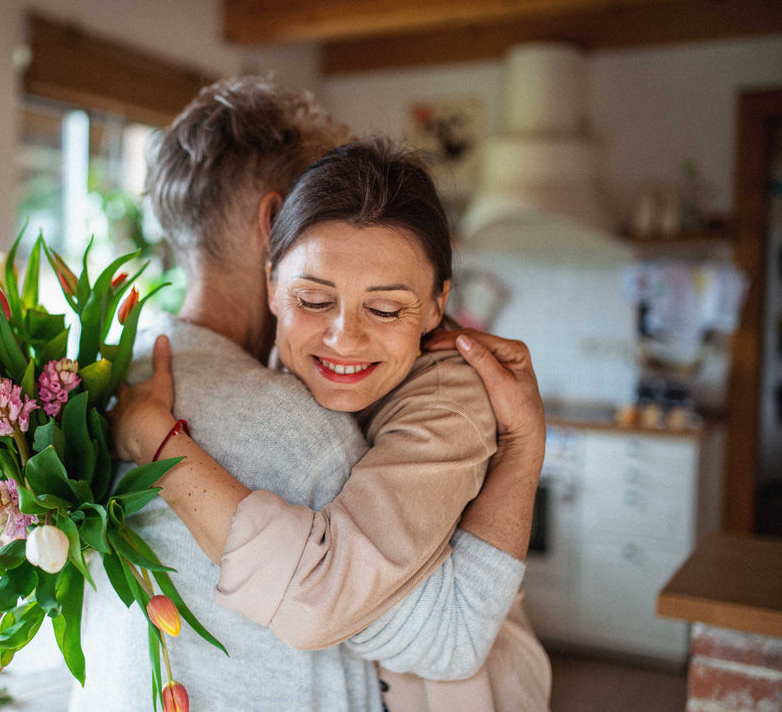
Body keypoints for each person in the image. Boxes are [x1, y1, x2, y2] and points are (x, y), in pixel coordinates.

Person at [66, 78, 549, 712]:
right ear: (276, 233)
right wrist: (523, 449)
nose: (345, 334)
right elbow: (449, 638)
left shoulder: (94, 385)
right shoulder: (299, 435)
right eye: (317, 295)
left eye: (384, 304)